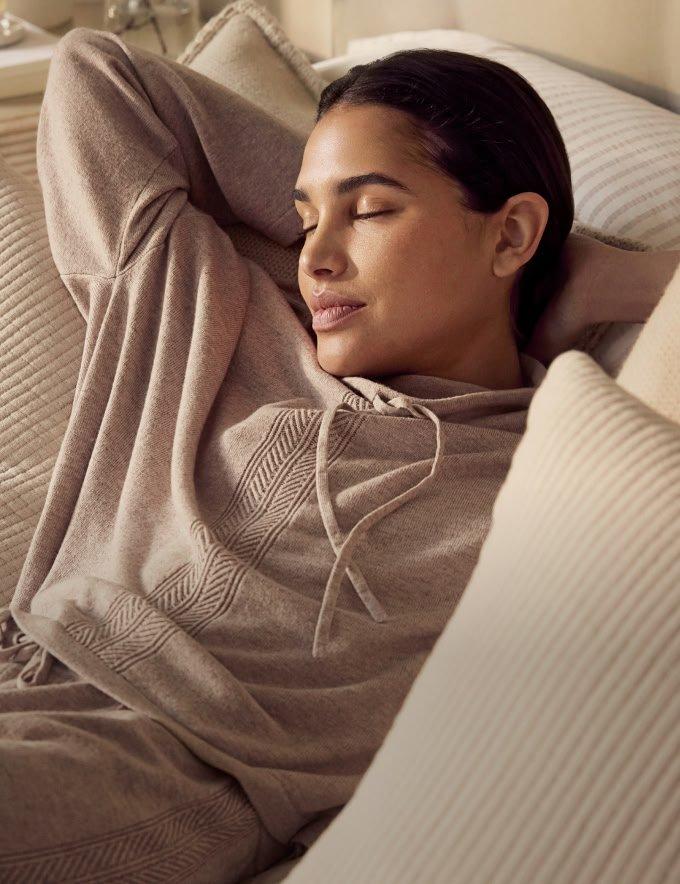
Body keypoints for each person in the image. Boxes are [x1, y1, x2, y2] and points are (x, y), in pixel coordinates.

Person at [0, 26, 675, 884]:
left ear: (512, 235)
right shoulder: (221, 311)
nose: (317, 257)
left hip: (159, 763)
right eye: (304, 214)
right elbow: (98, 73)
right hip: (26, 657)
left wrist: (582, 279)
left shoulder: (552, 473)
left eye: (370, 210)